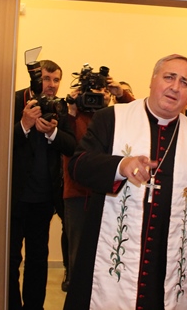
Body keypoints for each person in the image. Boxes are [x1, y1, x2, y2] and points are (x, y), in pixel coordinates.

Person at [64, 54, 187, 310]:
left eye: (184, 82)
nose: (175, 87)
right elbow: (77, 166)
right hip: (109, 251)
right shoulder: (111, 118)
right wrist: (120, 166)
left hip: (168, 257)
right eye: (169, 77)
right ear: (152, 80)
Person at [9, 60, 76, 310]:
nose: (52, 85)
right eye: (47, 78)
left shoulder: (59, 106)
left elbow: (72, 146)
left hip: (45, 199)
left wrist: (52, 134)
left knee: (38, 260)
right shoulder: (15, 101)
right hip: (14, 198)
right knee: (11, 260)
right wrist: (24, 125)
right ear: (37, 78)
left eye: (56, 80)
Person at [61, 76, 134, 294]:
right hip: (76, 193)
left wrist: (122, 94)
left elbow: (141, 120)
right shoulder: (74, 116)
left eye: (103, 91)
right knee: (77, 253)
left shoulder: (114, 117)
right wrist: (71, 110)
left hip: (109, 194)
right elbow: (66, 144)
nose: (96, 97)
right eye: (92, 92)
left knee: (108, 251)